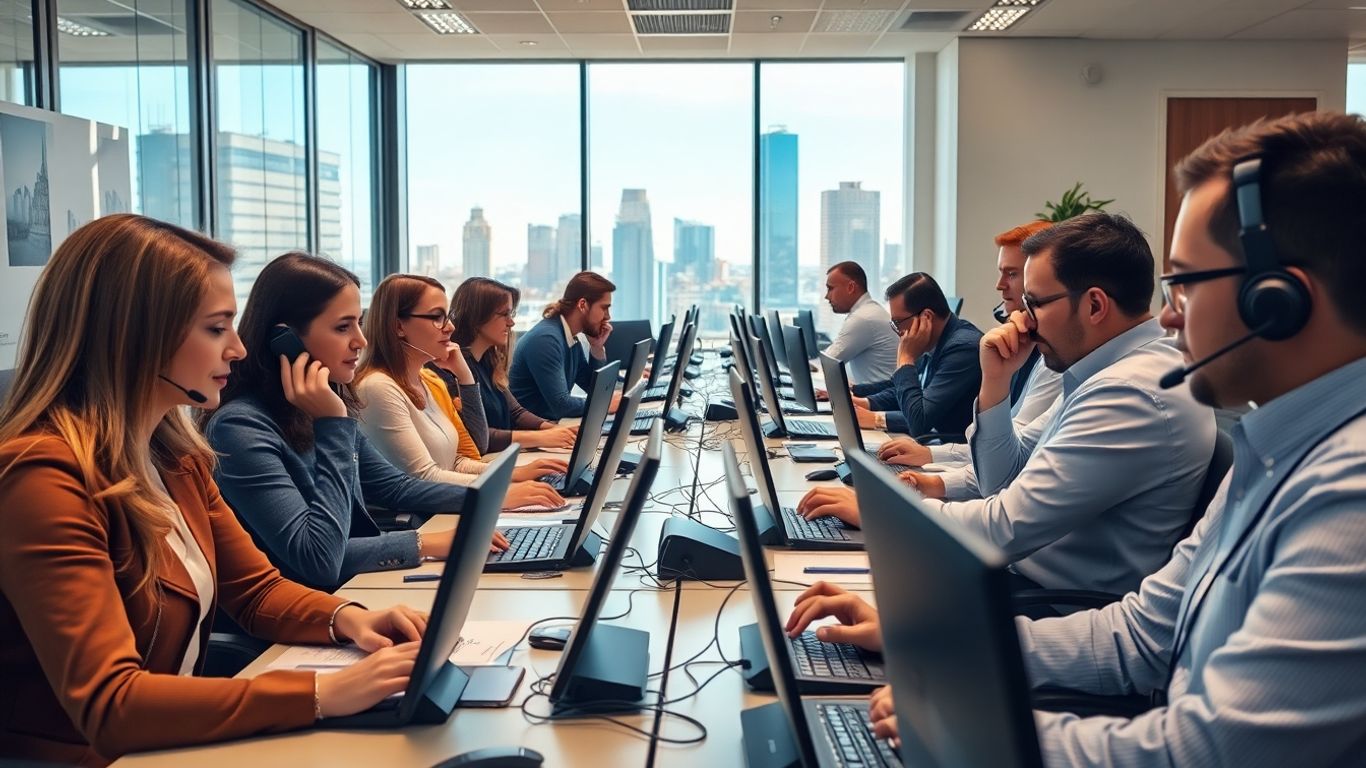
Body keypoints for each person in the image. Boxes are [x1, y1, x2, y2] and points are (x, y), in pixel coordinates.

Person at [794, 111, 1366, 767]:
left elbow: (1204, 751)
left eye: (1184, 283)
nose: (1169, 313)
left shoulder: (1348, 496)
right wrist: (938, 649)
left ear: (1279, 302)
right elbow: (1138, 635)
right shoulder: (1282, 450)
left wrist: (973, 716)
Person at [0, 215, 436, 765]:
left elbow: (256, 591)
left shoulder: (175, 456)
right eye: (215, 328)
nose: (237, 349)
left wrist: (348, 618)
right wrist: (322, 693)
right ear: (135, 338)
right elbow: (111, 704)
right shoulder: (41, 476)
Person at [804, 214, 1215, 596]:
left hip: (1044, 600)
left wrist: (884, 511)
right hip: (1014, 576)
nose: (1021, 320)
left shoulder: (1130, 392)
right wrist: (996, 383)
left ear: (1093, 306)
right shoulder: (1103, 372)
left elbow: (1001, 527)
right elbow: (1000, 480)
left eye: (1034, 303)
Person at [204, 253, 509, 591]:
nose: (360, 341)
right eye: (342, 327)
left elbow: (395, 486)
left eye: (358, 323)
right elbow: (317, 556)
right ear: (285, 342)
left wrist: (487, 500)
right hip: (308, 613)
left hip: (356, 589)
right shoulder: (241, 429)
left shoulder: (318, 406)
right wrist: (426, 543)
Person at [352, 274, 569, 505]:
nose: (450, 327)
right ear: (398, 326)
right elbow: (424, 477)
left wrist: (511, 474)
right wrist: (499, 494)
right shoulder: (378, 387)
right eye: (437, 317)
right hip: (426, 518)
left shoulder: (424, 379)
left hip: (450, 506)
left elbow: (454, 461)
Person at [878, 220, 1063, 471]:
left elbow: (1008, 460)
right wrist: (931, 456)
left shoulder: (1054, 361)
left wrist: (906, 357)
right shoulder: (1029, 349)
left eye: (1012, 274)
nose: (999, 285)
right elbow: (999, 449)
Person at [446, 277, 578, 453]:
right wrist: (540, 438)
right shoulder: (451, 369)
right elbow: (475, 436)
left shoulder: (487, 360)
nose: (511, 322)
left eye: (512, 314)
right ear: (477, 317)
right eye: (504, 314)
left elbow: (515, 413)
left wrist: (555, 430)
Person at [851, 272, 984, 437]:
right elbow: (901, 388)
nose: (898, 331)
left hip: (957, 453)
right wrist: (864, 401)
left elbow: (919, 421)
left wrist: (905, 359)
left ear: (926, 317)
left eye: (898, 322)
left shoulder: (963, 349)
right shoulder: (934, 339)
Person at [508, 270, 621, 421]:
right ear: (583, 305)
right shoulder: (546, 340)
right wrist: (604, 404)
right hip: (533, 434)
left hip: (551, 426)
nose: (608, 316)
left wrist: (597, 348)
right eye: (604, 308)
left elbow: (592, 386)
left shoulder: (569, 336)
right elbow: (561, 404)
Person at [820, 261, 900, 385]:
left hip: (878, 400)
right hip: (874, 395)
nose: (827, 296)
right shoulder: (867, 311)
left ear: (851, 287)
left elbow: (829, 362)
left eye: (830, 288)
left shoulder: (863, 318)